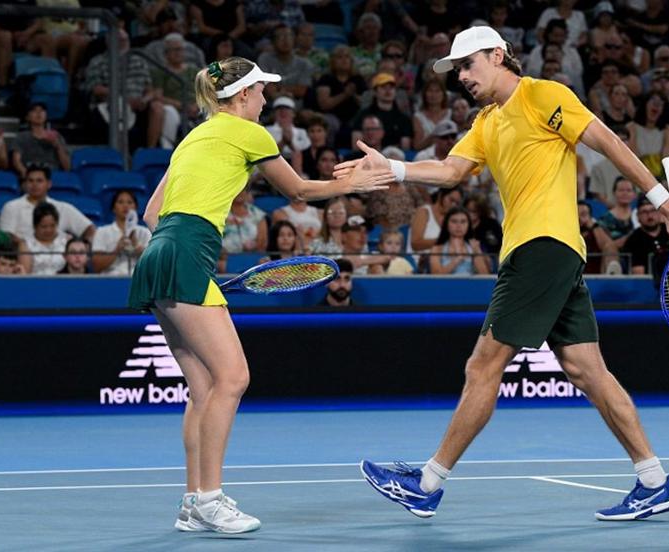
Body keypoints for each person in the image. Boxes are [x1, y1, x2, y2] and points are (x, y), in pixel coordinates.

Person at [335, 25, 669, 520]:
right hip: (552, 253)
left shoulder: (542, 94)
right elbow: (450, 171)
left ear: (499, 55)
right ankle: (656, 480)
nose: (461, 76)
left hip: (541, 247)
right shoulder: (488, 121)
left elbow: (606, 139)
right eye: (456, 69)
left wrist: (662, 202)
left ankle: (427, 482)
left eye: (468, 64)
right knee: (587, 371)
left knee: (482, 367)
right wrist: (392, 170)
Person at [127, 57, 394, 534]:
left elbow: (151, 213)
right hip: (186, 256)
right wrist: (354, 183)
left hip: (159, 255)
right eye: (262, 91)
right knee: (233, 378)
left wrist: (191, 257)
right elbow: (297, 190)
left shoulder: (195, 136)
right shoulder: (248, 133)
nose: (266, 99)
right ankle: (210, 498)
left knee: (203, 387)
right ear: (245, 94)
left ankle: (193, 502)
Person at [0, 163, 95, 243]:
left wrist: (84, 246)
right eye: (30, 181)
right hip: (24, 259)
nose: (34, 185)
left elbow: (89, 229)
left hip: (60, 261)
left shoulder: (63, 208)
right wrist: (30, 247)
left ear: (49, 184)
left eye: (39, 181)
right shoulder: (11, 207)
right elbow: (7, 237)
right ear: (25, 184)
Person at [92, 190, 152, 275]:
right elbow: (96, 266)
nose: (125, 206)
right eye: (120, 202)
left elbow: (154, 264)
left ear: (135, 207)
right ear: (113, 208)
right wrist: (116, 250)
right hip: (110, 280)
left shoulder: (145, 232)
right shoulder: (102, 232)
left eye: (130, 202)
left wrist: (137, 246)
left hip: (138, 279)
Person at [11, 103, 71, 177]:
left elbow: (67, 167)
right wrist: (25, 173)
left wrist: (58, 146)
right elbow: (16, 161)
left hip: (52, 176)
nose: (39, 113)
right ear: (27, 117)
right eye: (34, 110)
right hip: (30, 175)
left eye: (42, 111)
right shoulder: (21, 137)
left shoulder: (57, 136)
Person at [428, 206, 490, 275]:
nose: (458, 225)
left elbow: (484, 276)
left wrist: (477, 252)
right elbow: (435, 276)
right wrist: (458, 259)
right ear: (446, 224)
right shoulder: (437, 249)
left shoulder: (473, 247)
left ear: (468, 225)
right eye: (454, 221)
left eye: (463, 222)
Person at [621, 195, 669, 277]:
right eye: (644, 212)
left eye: (653, 211)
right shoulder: (633, 240)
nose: (649, 215)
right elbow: (639, 275)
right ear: (637, 216)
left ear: (659, 213)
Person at [20, 202, 69, 275]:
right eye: (44, 226)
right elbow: (25, 276)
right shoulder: (26, 245)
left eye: (52, 226)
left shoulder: (67, 240)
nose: (48, 230)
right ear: (35, 226)